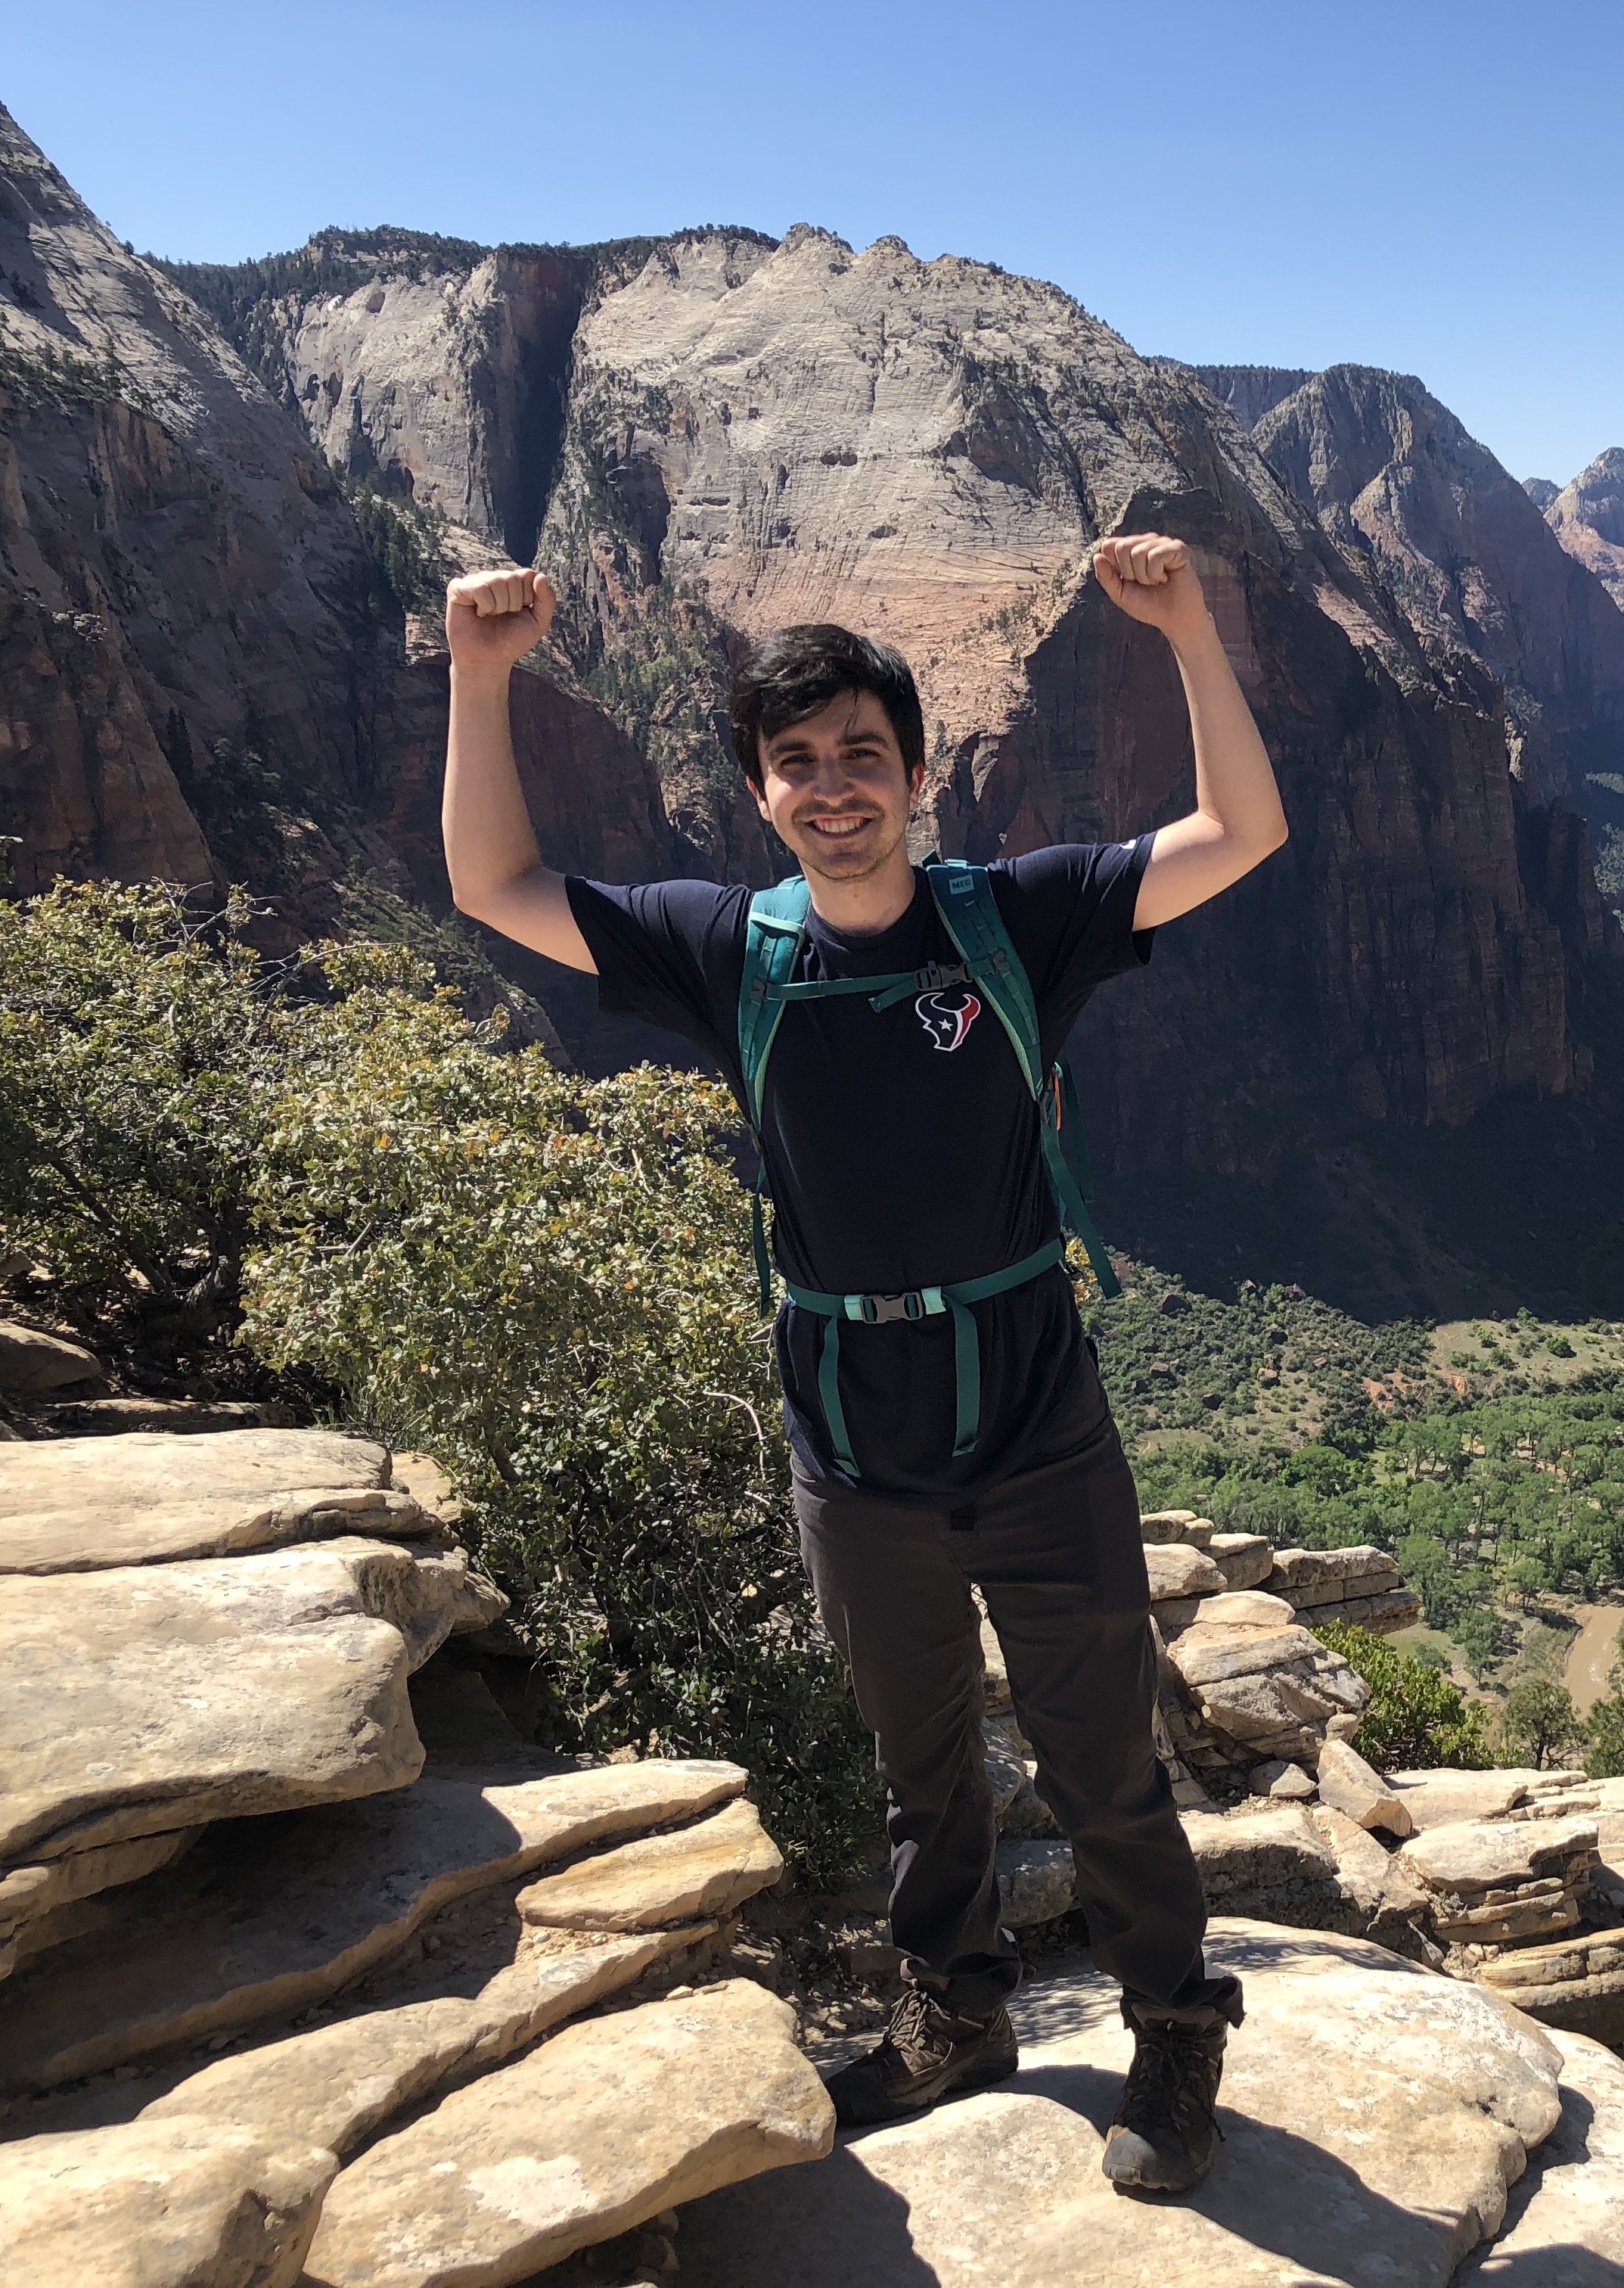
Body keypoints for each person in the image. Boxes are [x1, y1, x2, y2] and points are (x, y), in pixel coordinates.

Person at [438, 535, 1286, 2193]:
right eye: (798, 762)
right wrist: (480, 684)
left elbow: (1240, 831)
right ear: (759, 789)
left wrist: (1185, 626)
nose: (835, 789)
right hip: (853, 1444)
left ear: (914, 774)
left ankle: (1174, 2035)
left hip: (1038, 1423)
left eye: (863, 757)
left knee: (1103, 1756)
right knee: (920, 1767)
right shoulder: (722, 947)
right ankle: (954, 2009)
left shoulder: (1018, 921)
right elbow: (495, 884)